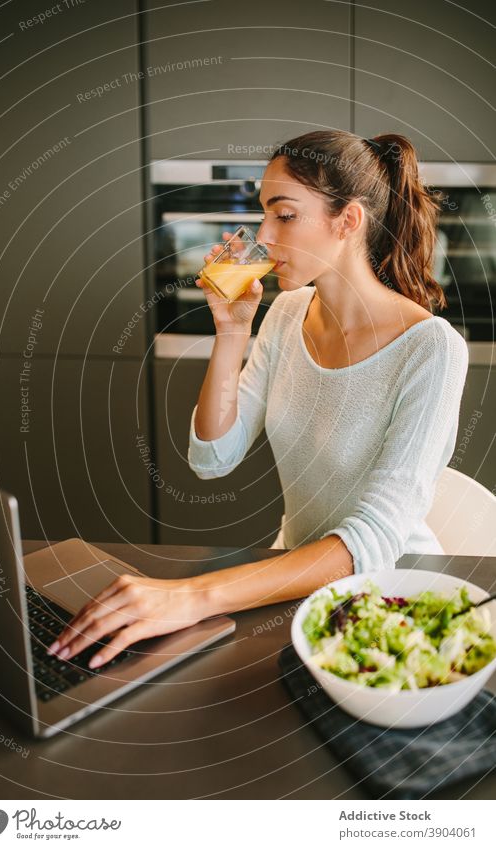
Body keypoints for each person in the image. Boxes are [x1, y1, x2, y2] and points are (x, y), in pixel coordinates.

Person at [48, 130, 468, 670]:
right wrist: (231, 332)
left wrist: (193, 595)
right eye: (263, 214)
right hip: (296, 584)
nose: (264, 235)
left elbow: (375, 539)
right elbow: (211, 458)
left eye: (285, 215)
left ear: (348, 221)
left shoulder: (432, 350)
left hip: (395, 598)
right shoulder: (288, 312)